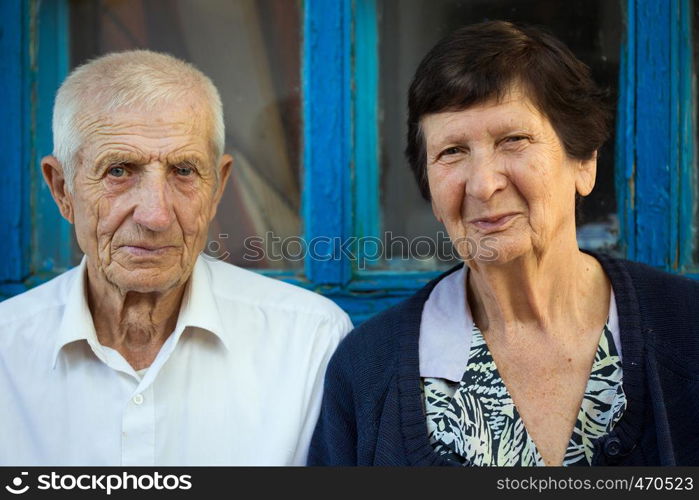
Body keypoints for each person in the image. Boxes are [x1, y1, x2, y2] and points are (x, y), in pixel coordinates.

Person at [309, 21, 699, 466]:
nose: (483, 184)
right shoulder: (366, 371)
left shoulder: (687, 328)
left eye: (514, 140)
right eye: (452, 151)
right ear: (431, 190)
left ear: (584, 162)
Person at [0, 50, 352, 465]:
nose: (156, 215)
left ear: (217, 187)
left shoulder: (309, 340)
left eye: (184, 171)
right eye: (119, 171)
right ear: (62, 189)